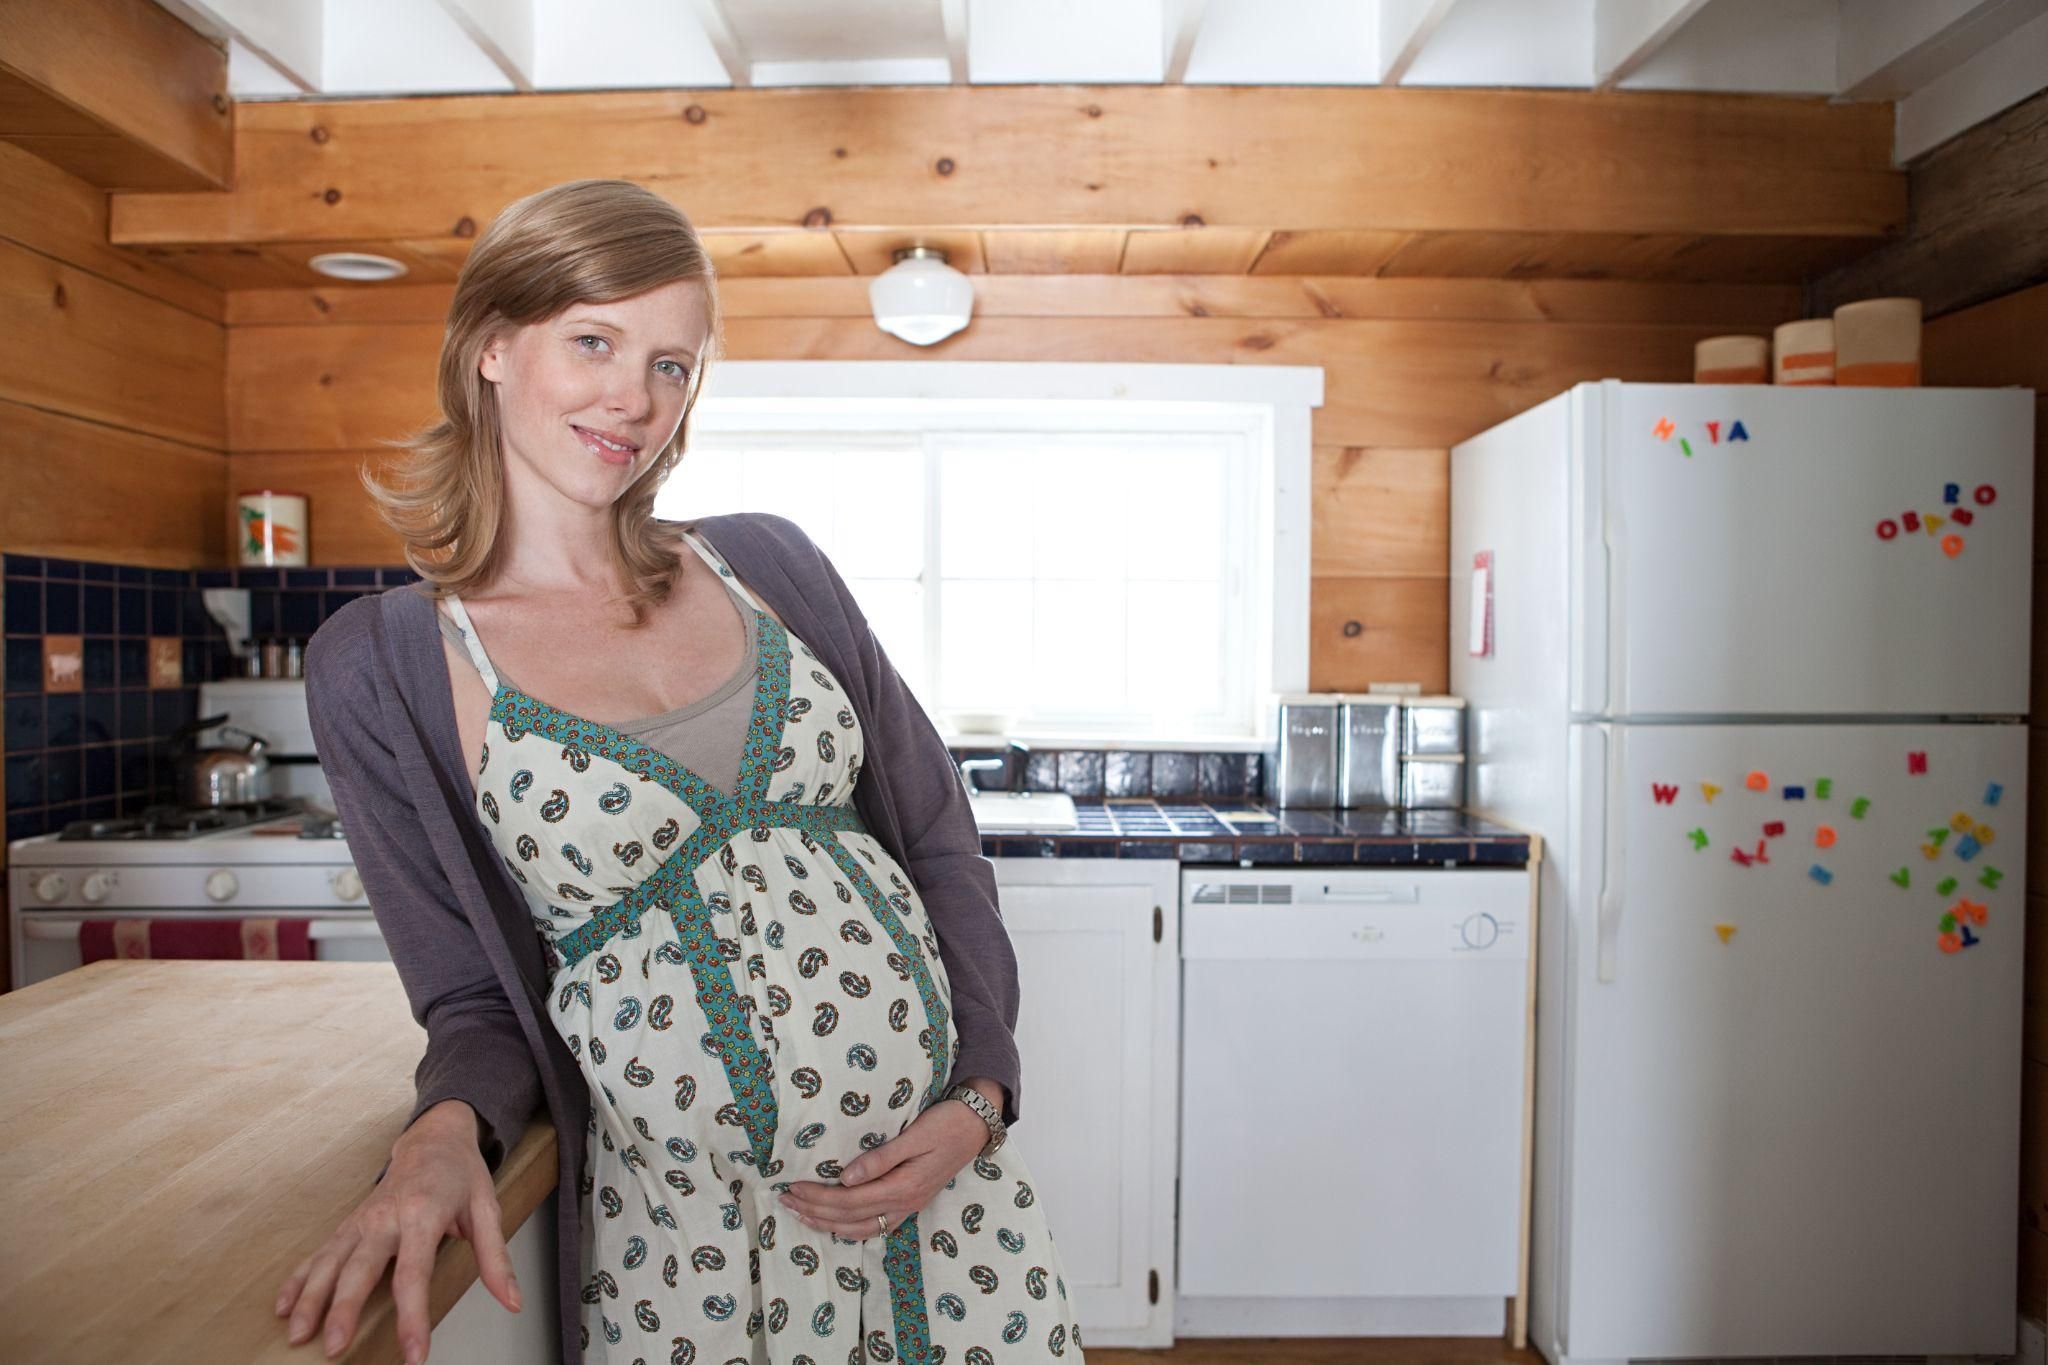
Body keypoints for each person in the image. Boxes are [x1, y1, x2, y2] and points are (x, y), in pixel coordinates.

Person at [279, 178, 1083, 1365]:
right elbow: (467, 993)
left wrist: (981, 1091)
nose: (633, 398)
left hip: (943, 1204)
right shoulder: (383, 663)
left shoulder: (771, 563)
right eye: (593, 341)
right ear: (492, 346)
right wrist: (444, 1133)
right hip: (701, 1256)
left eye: (672, 364)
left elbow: (935, 840)